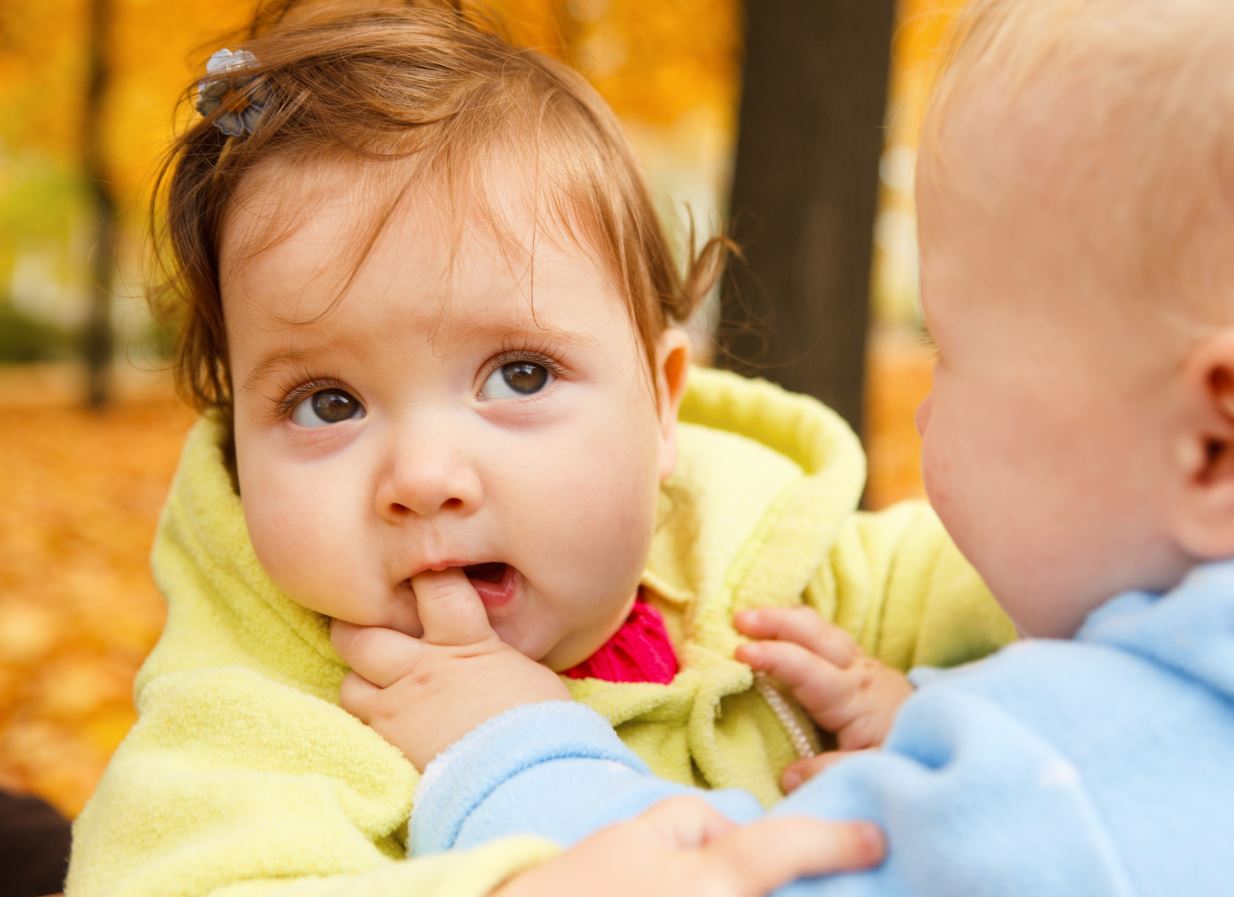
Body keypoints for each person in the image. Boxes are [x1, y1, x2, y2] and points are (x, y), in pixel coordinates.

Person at [358, 0, 1234, 892]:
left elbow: (725, 879)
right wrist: (937, 733)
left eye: (952, 349)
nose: (925, 409)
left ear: (1225, 450)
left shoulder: (1060, 792)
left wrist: (508, 750)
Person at [64, 2, 1014, 895]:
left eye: (519, 375)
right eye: (328, 402)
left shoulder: (782, 578)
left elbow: (1059, 575)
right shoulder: (265, 714)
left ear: (662, 407)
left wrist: (937, 718)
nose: (423, 478)